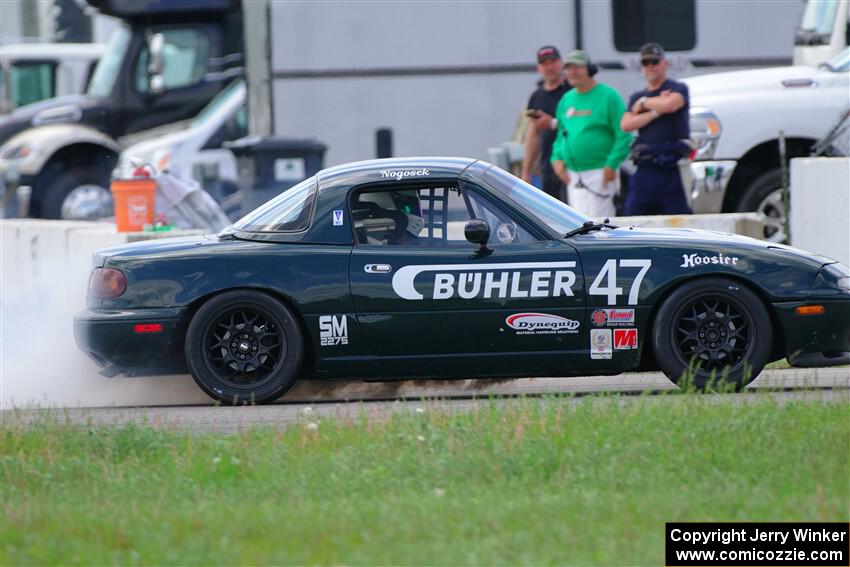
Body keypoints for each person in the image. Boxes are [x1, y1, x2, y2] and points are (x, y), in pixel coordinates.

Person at [550, 50, 632, 218]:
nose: (572, 72)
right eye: (569, 68)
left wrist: (611, 165)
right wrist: (556, 159)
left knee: (601, 226)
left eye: (577, 67)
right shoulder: (566, 99)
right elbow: (561, 134)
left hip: (601, 172)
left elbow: (624, 134)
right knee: (579, 224)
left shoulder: (609, 96)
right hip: (573, 175)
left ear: (590, 69)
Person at [620, 42, 692, 215]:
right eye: (646, 63)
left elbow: (670, 105)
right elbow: (626, 124)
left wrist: (644, 104)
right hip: (646, 166)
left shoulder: (678, 88)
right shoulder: (636, 96)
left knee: (680, 221)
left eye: (655, 61)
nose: (650, 66)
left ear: (665, 63)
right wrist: (654, 113)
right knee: (634, 220)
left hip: (672, 167)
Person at [521, 45, 571, 202]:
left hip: (571, 164)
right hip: (548, 166)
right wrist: (526, 171)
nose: (549, 67)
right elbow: (533, 135)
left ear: (561, 63)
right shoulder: (536, 96)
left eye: (553, 62)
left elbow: (580, 124)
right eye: (544, 63)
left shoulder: (571, 91)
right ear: (539, 67)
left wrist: (552, 123)